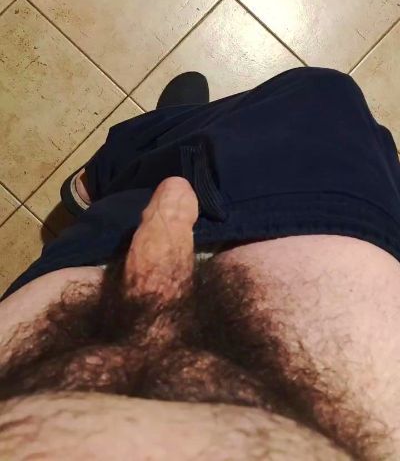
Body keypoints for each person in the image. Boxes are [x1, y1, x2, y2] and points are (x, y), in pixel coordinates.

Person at [1, 66, 400, 460]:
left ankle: (130, 157)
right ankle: (163, 135)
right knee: (323, 96)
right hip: (326, 275)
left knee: (147, 185)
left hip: (68, 311)